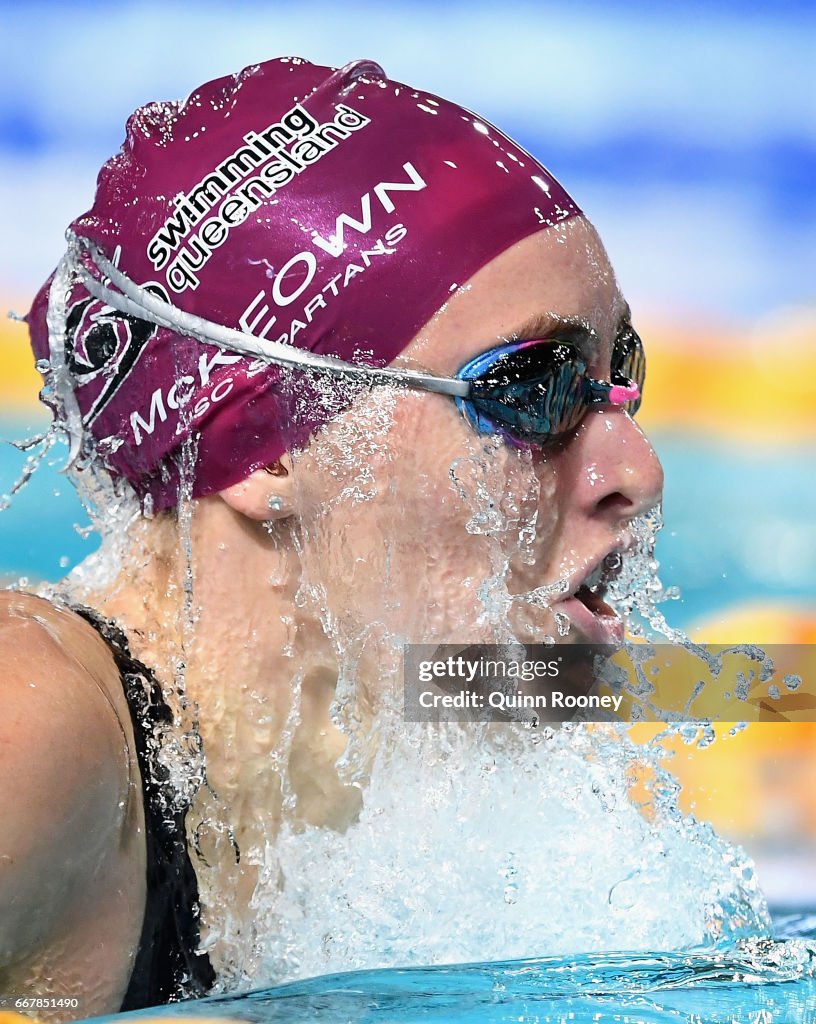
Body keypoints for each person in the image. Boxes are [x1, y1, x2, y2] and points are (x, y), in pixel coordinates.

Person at [0, 56, 663, 1019]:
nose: (637, 472)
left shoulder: (421, 678)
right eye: (532, 387)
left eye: (618, 373)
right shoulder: (33, 733)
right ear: (267, 444)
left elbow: (750, 692)